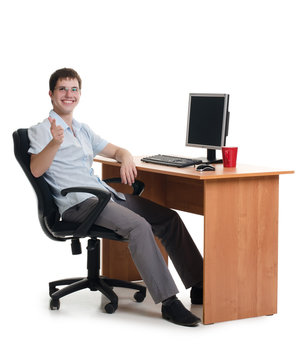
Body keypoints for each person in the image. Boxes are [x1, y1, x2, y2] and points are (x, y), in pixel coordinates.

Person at [28, 68, 204, 326]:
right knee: (139, 226)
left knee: (167, 218)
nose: (68, 94)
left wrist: (125, 159)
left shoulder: (82, 129)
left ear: (79, 94)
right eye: (62, 89)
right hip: (78, 203)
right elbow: (36, 169)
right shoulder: (41, 130)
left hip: (103, 195)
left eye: (73, 89)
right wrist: (54, 143)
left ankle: (199, 284)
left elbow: (117, 150)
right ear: (51, 94)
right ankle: (170, 302)